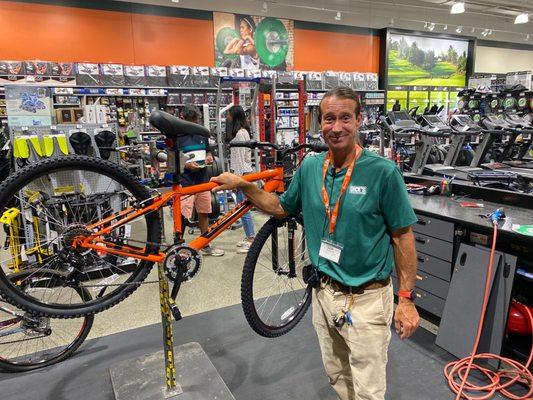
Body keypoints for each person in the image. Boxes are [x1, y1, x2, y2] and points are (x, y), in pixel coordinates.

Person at [212, 87, 420, 399]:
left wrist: (405, 299)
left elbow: (402, 236)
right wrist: (244, 185)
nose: (337, 127)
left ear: (359, 120)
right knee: (337, 374)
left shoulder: (383, 173)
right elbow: (282, 207)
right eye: (329, 119)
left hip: (366, 299)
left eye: (345, 118)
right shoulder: (310, 167)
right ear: (319, 123)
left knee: (368, 388)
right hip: (324, 293)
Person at [178, 104, 224, 257]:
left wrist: (209, 156)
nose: (193, 123)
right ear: (183, 119)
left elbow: (208, 150)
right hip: (185, 182)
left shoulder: (201, 133)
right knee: (182, 215)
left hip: (202, 180)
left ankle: (205, 244)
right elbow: (173, 159)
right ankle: (178, 246)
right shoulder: (177, 136)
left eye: (195, 120)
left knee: (204, 212)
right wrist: (186, 164)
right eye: (190, 120)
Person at [226, 105, 256, 253]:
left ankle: (251, 238)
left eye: (228, 115)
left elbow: (238, 160)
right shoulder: (243, 132)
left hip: (242, 174)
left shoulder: (239, 134)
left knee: (243, 209)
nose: (227, 118)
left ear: (235, 116)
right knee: (242, 208)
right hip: (244, 173)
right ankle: (249, 236)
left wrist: (235, 180)